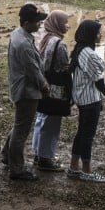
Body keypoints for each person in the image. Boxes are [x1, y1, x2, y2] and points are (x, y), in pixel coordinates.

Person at [1, 3, 50, 181]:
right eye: (37, 21)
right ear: (27, 22)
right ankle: (17, 168)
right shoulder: (24, 44)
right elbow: (33, 71)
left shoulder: (18, 34)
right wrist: (44, 86)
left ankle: (6, 154)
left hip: (19, 87)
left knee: (19, 125)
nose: (40, 24)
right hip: (27, 92)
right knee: (22, 131)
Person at [67, 20, 105, 182]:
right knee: (87, 135)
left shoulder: (80, 49)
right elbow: (97, 74)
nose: (100, 35)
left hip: (83, 97)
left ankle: (73, 166)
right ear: (90, 34)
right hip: (89, 99)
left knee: (82, 133)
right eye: (98, 32)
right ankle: (87, 171)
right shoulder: (88, 53)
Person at [32, 10, 71, 170]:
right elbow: (64, 66)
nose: (68, 26)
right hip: (56, 88)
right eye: (65, 23)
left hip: (45, 84)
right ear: (57, 24)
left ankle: (38, 152)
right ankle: (45, 158)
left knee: (42, 118)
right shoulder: (59, 44)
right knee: (52, 122)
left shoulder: (45, 38)